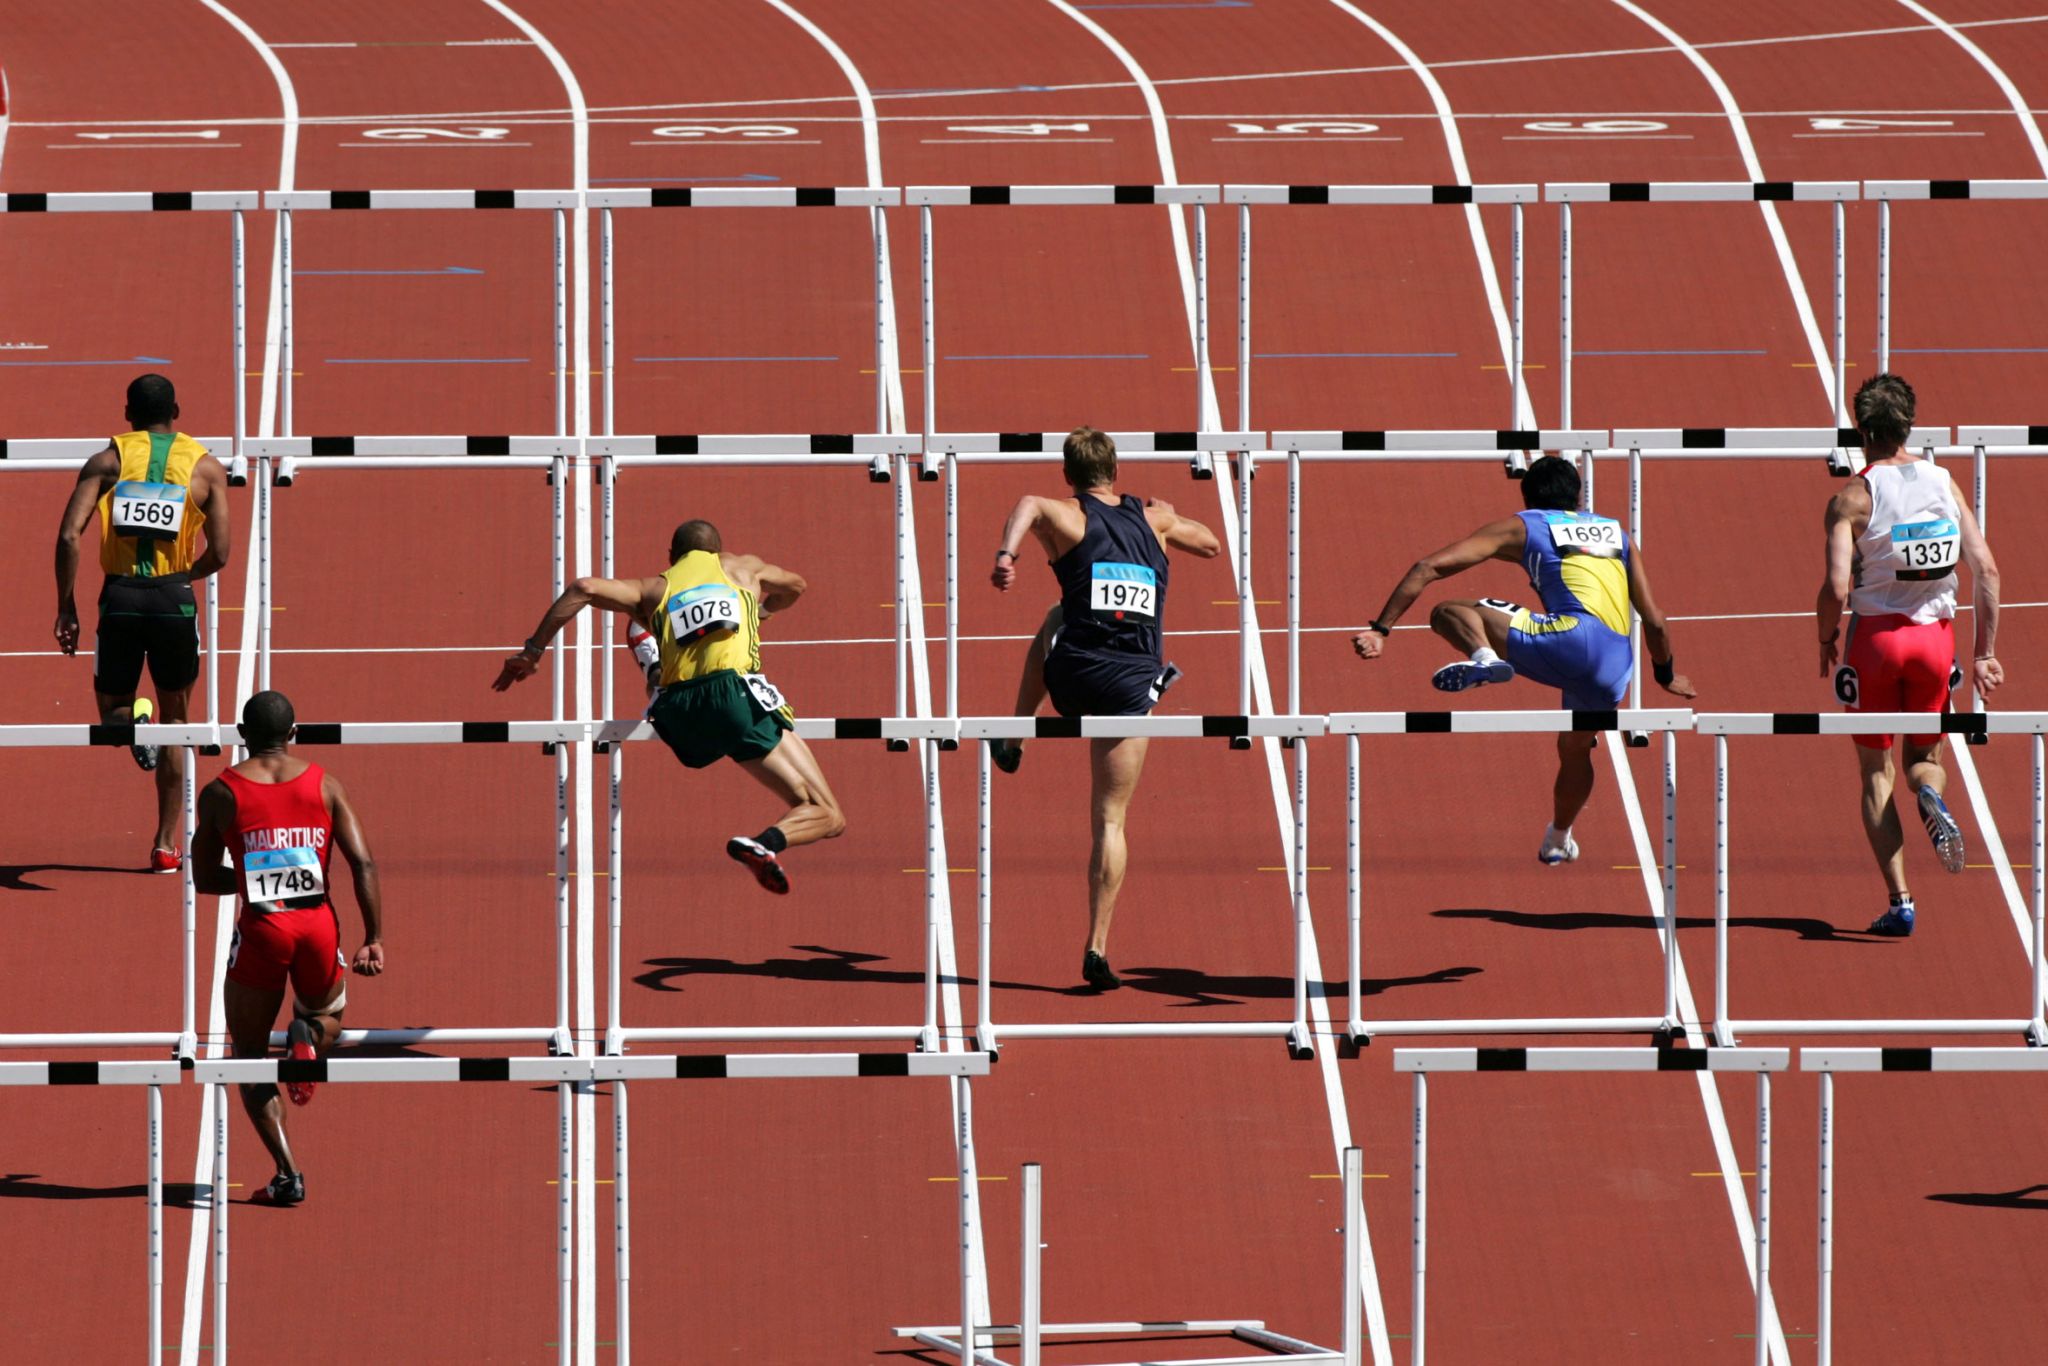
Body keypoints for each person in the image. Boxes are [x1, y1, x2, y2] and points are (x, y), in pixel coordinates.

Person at [1351, 454, 1695, 863]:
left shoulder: (1525, 525)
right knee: (1574, 749)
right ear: (1578, 496)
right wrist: (1665, 675)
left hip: (1566, 641)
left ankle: (1483, 657)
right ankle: (1558, 837)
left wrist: (1381, 628)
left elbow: (1429, 567)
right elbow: (1654, 620)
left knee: (1447, 611)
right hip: (1617, 667)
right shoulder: (1618, 534)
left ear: (1527, 497)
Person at [492, 519, 843, 894]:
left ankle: (653, 663)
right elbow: (796, 586)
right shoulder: (744, 568)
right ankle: (764, 845)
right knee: (830, 815)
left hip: (679, 716)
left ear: (671, 557)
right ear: (719, 551)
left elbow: (583, 588)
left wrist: (532, 652)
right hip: (732, 699)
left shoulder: (653, 587)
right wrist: (760, 613)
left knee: (670, 679)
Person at [989, 426, 1221, 990]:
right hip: (1130, 690)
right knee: (1110, 820)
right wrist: (1168, 512)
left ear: (1069, 476)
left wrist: (1006, 553)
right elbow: (1213, 544)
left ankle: (1017, 735)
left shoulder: (1068, 515)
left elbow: (1026, 504)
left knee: (1052, 620)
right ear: (1116, 471)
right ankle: (1096, 946)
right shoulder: (1154, 520)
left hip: (1073, 679)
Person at [1819, 373, 2002, 937]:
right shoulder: (1944, 483)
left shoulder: (1851, 498)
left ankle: (1900, 901)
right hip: (1934, 643)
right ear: (1910, 424)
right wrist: (1983, 654)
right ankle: (1930, 792)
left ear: (1860, 430)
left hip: (1874, 643)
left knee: (1876, 772)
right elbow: (1988, 572)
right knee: (1926, 757)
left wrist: (1826, 636)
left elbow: (1837, 589)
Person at [190, 691, 384, 1207]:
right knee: (330, 1013)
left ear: (240, 733)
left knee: (248, 1058)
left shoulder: (220, 793)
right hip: (319, 924)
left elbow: (203, 876)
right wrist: (374, 937)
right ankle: (311, 1035)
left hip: (262, 931)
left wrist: (255, 879)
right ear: (294, 732)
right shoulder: (326, 785)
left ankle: (288, 1172)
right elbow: (363, 864)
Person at [53, 374, 233, 872]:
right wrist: (182, 577)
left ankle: (130, 722)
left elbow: (70, 537)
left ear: (126, 412)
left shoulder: (106, 461)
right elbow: (220, 553)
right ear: (176, 409)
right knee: (177, 724)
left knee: (111, 711)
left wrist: (66, 605)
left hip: (121, 599)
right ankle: (164, 844)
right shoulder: (207, 467)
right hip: (174, 601)